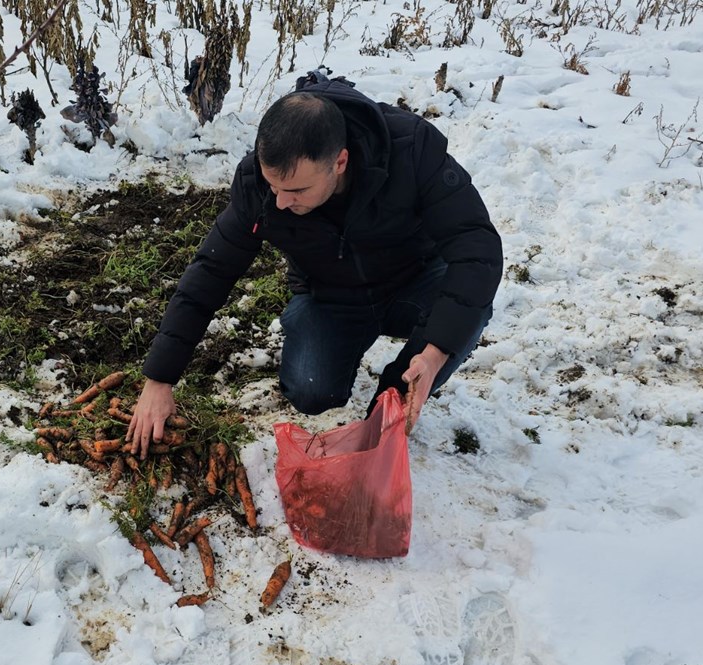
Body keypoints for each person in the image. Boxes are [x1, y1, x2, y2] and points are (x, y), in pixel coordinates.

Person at [127, 73, 502, 454]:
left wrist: (436, 351)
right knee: (311, 389)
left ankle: (394, 399)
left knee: (467, 308)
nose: (280, 203)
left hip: (414, 280)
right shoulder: (256, 184)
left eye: (296, 190)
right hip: (331, 294)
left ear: (340, 162)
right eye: (274, 187)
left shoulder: (412, 150)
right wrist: (159, 379)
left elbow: (478, 249)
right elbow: (211, 272)